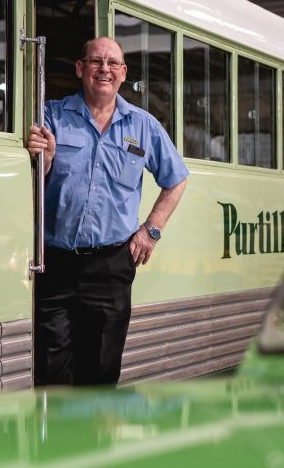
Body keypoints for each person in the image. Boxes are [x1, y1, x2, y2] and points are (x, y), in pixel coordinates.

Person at [27, 36, 188, 386]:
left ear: (123, 72)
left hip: (111, 265)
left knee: (100, 369)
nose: (105, 69)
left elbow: (176, 179)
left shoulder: (143, 126)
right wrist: (47, 159)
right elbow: (33, 178)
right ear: (80, 68)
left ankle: (95, 440)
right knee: (50, 369)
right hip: (55, 262)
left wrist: (151, 230)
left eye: (113, 63)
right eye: (96, 61)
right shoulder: (51, 115)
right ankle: (55, 441)